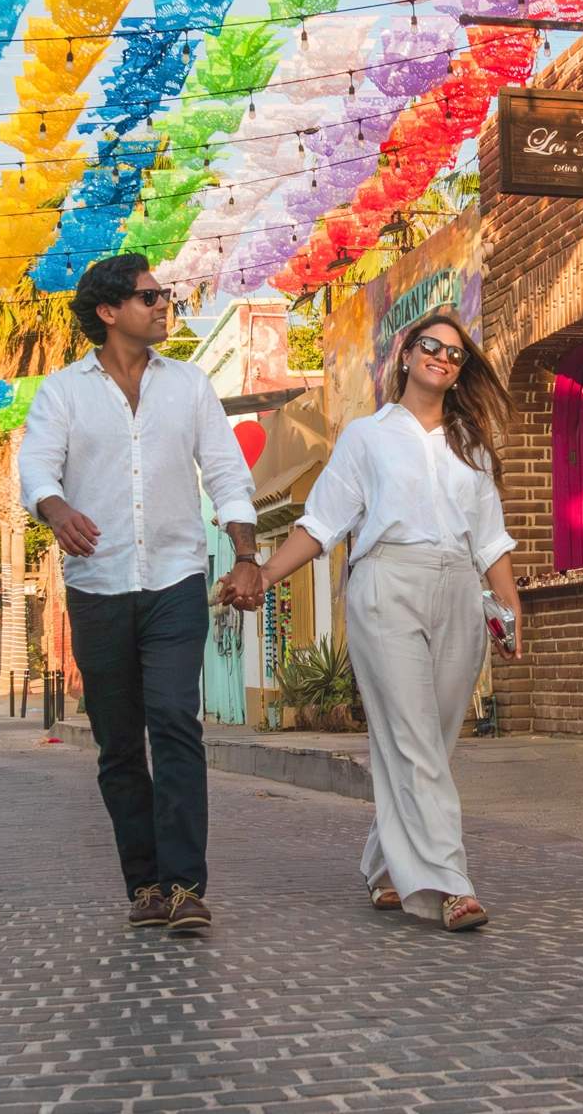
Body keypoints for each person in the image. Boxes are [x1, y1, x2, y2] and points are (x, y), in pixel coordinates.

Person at [219, 310, 522, 931]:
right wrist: (263, 574)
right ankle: (449, 882)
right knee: (413, 737)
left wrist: (510, 606)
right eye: (430, 346)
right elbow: (321, 524)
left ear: (461, 372)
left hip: (459, 588)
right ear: (406, 356)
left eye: (455, 354)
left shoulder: (471, 444)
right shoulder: (367, 437)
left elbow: (490, 539)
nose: (442, 357)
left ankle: (386, 868)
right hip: (387, 584)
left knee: (431, 740)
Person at [19, 253, 262, 936]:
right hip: (97, 588)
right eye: (151, 297)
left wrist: (246, 555)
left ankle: (186, 885)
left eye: (164, 296)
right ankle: (146, 884)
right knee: (120, 745)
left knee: (176, 723)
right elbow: (36, 465)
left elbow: (226, 474)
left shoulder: (189, 387)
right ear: (108, 311)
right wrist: (56, 509)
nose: (164, 306)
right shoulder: (63, 393)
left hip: (175, 581)